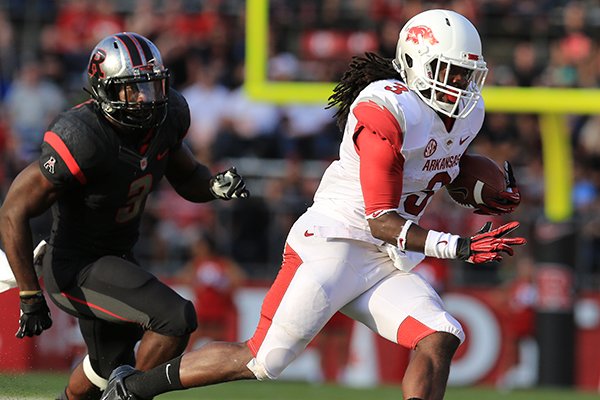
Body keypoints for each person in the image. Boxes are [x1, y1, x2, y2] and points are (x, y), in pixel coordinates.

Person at [100, 10, 525, 400]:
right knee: (263, 359)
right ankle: (132, 388)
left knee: (441, 334)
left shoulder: (467, 115)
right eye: (449, 72)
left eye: (467, 75)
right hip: (335, 242)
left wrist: (483, 191)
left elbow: (443, 167)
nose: (460, 87)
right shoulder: (386, 107)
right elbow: (380, 220)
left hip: (384, 257)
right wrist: (460, 247)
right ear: (415, 64)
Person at [0, 32, 249, 400]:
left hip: (117, 257)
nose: (147, 99)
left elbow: (186, 175)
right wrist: (29, 294)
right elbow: (12, 211)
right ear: (105, 90)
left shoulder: (167, 119)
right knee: (175, 319)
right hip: (76, 265)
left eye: (152, 85)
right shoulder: (83, 136)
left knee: (105, 371)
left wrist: (212, 187)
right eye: (134, 89)